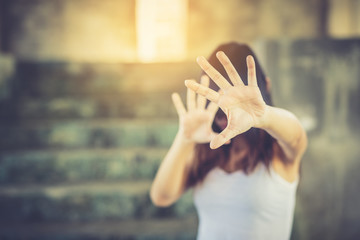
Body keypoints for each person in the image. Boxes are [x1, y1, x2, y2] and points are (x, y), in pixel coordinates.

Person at [150, 42, 307, 240]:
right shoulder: (207, 149)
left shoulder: (278, 151)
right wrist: (184, 138)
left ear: (265, 87)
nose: (225, 108)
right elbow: (161, 197)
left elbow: (297, 136)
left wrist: (264, 115)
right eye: (217, 95)